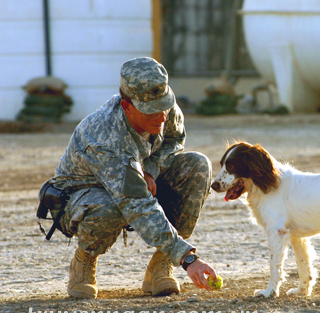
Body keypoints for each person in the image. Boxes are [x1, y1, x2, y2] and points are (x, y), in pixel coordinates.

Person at [41, 57, 217, 299]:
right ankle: (84, 260)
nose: (162, 116)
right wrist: (187, 258)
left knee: (198, 166)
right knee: (108, 205)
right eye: (152, 111)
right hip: (81, 197)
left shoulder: (162, 106)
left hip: (134, 181)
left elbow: (175, 140)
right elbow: (136, 204)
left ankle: (160, 265)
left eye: (164, 105)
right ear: (127, 106)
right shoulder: (104, 135)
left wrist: (151, 169)